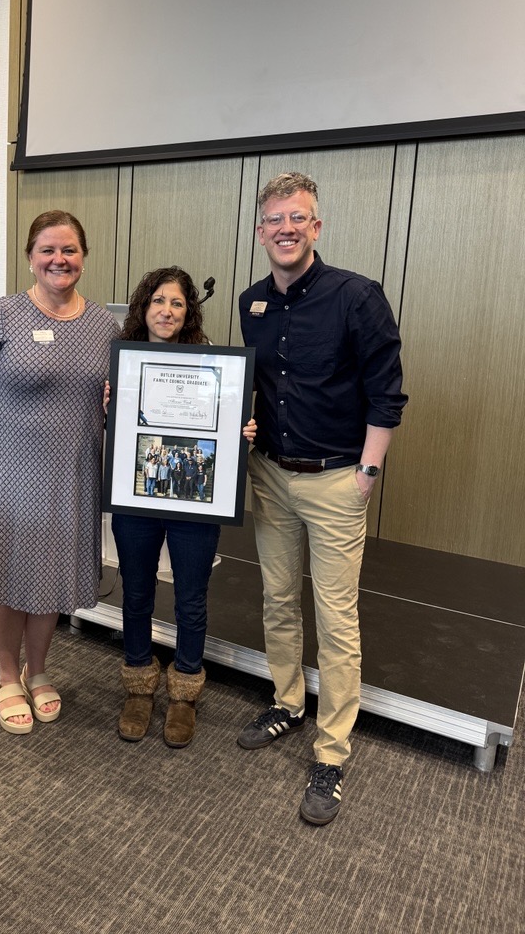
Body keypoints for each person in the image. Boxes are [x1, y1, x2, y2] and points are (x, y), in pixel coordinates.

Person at [238, 172, 407, 824]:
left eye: (298, 218)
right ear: (262, 232)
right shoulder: (253, 302)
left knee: (337, 622)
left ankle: (332, 753)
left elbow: (387, 393)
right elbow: (254, 389)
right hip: (271, 476)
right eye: (275, 219)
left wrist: (367, 473)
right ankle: (287, 703)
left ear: (316, 227)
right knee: (277, 599)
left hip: (338, 481)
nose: (286, 228)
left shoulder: (357, 297)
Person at [0, 209, 118, 735]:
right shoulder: (0, 316)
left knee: (52, 576)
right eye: (48, 250)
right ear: (30, 257)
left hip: (72, 477)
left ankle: (39, 669)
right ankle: (6, 675)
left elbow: (119, 401)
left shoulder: (104, 327)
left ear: (83, 258)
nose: (58, 260)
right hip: (8, 476)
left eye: (69, 250)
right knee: (5, 576)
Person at [107, 266, 256, 748]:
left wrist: (240, 435)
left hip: (195, 502)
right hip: (138, 497)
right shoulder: (122, 364)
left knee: (191, 598)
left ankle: (185, 691)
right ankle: (137, 685)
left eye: (176, 302)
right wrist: (110, 409)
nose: (166, 310)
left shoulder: (212, 364)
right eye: (157, 301)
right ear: (141, 308)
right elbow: (118, 434)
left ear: (188, 310)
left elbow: (225, 431)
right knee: (136, 592)